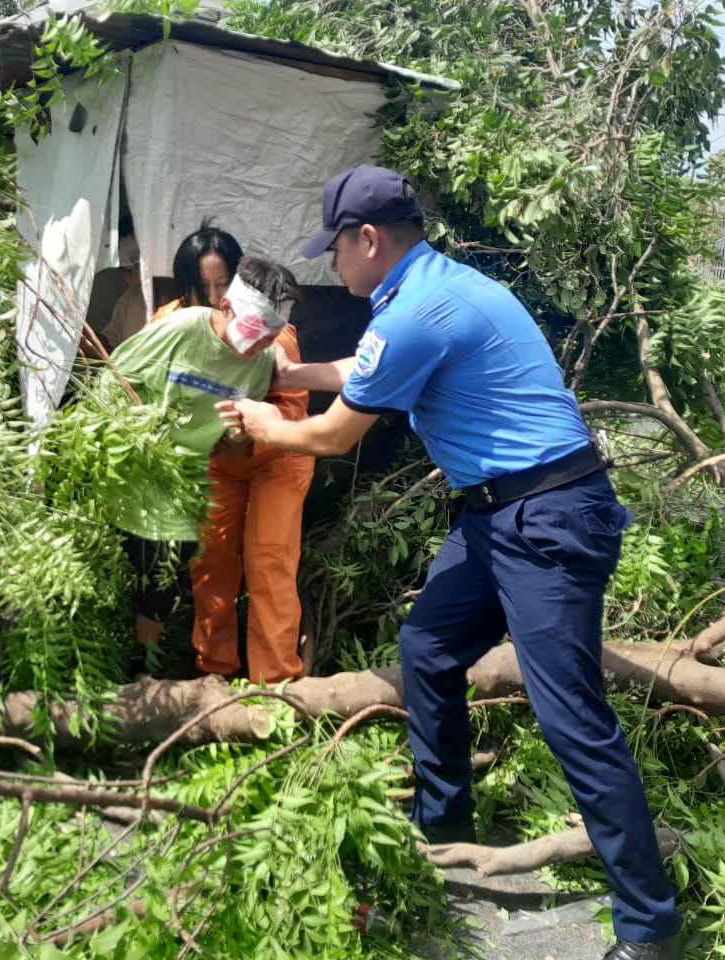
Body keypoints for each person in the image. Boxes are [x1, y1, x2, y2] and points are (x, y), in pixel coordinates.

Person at [218, 165, 683, 960]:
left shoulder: (419, 311)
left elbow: (331, 437)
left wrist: (263, 420)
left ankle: (650, 926)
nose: (333, 265)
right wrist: (295, 375)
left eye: (336, 249)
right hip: (494, 516)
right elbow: (368, 370)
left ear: (369, 240)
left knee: (572, 716)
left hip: (548, 518)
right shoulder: (428, 290)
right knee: (428, 648)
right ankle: (445, 820)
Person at [104, 256, 301, 653]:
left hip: (187, 488)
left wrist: (243, 434)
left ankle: (147, 670)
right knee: (120, 577)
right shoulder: (180, 327)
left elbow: (238, 435)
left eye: (273, 334)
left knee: (160, 589)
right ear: (226, 306)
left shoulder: (261, 364)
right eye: (258, 329)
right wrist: (132, 435)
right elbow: (112, 381)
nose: (265, 343)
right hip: (137, 468)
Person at [155, 224, 315, 684]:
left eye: (221, 283)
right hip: (216, 464)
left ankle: (276, 685)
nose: (211, 295)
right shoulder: (172, 323)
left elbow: (294, 409)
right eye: (200, 285)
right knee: (212, 562)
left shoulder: (272, 336)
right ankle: (215, 673)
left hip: (277, 459)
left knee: (268, 560)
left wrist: (251, 429)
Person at [99, 234, 148, 351]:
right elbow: (113, 337)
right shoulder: (129, 298)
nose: (126, 279)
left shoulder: (170, 293)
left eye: (128, 271)